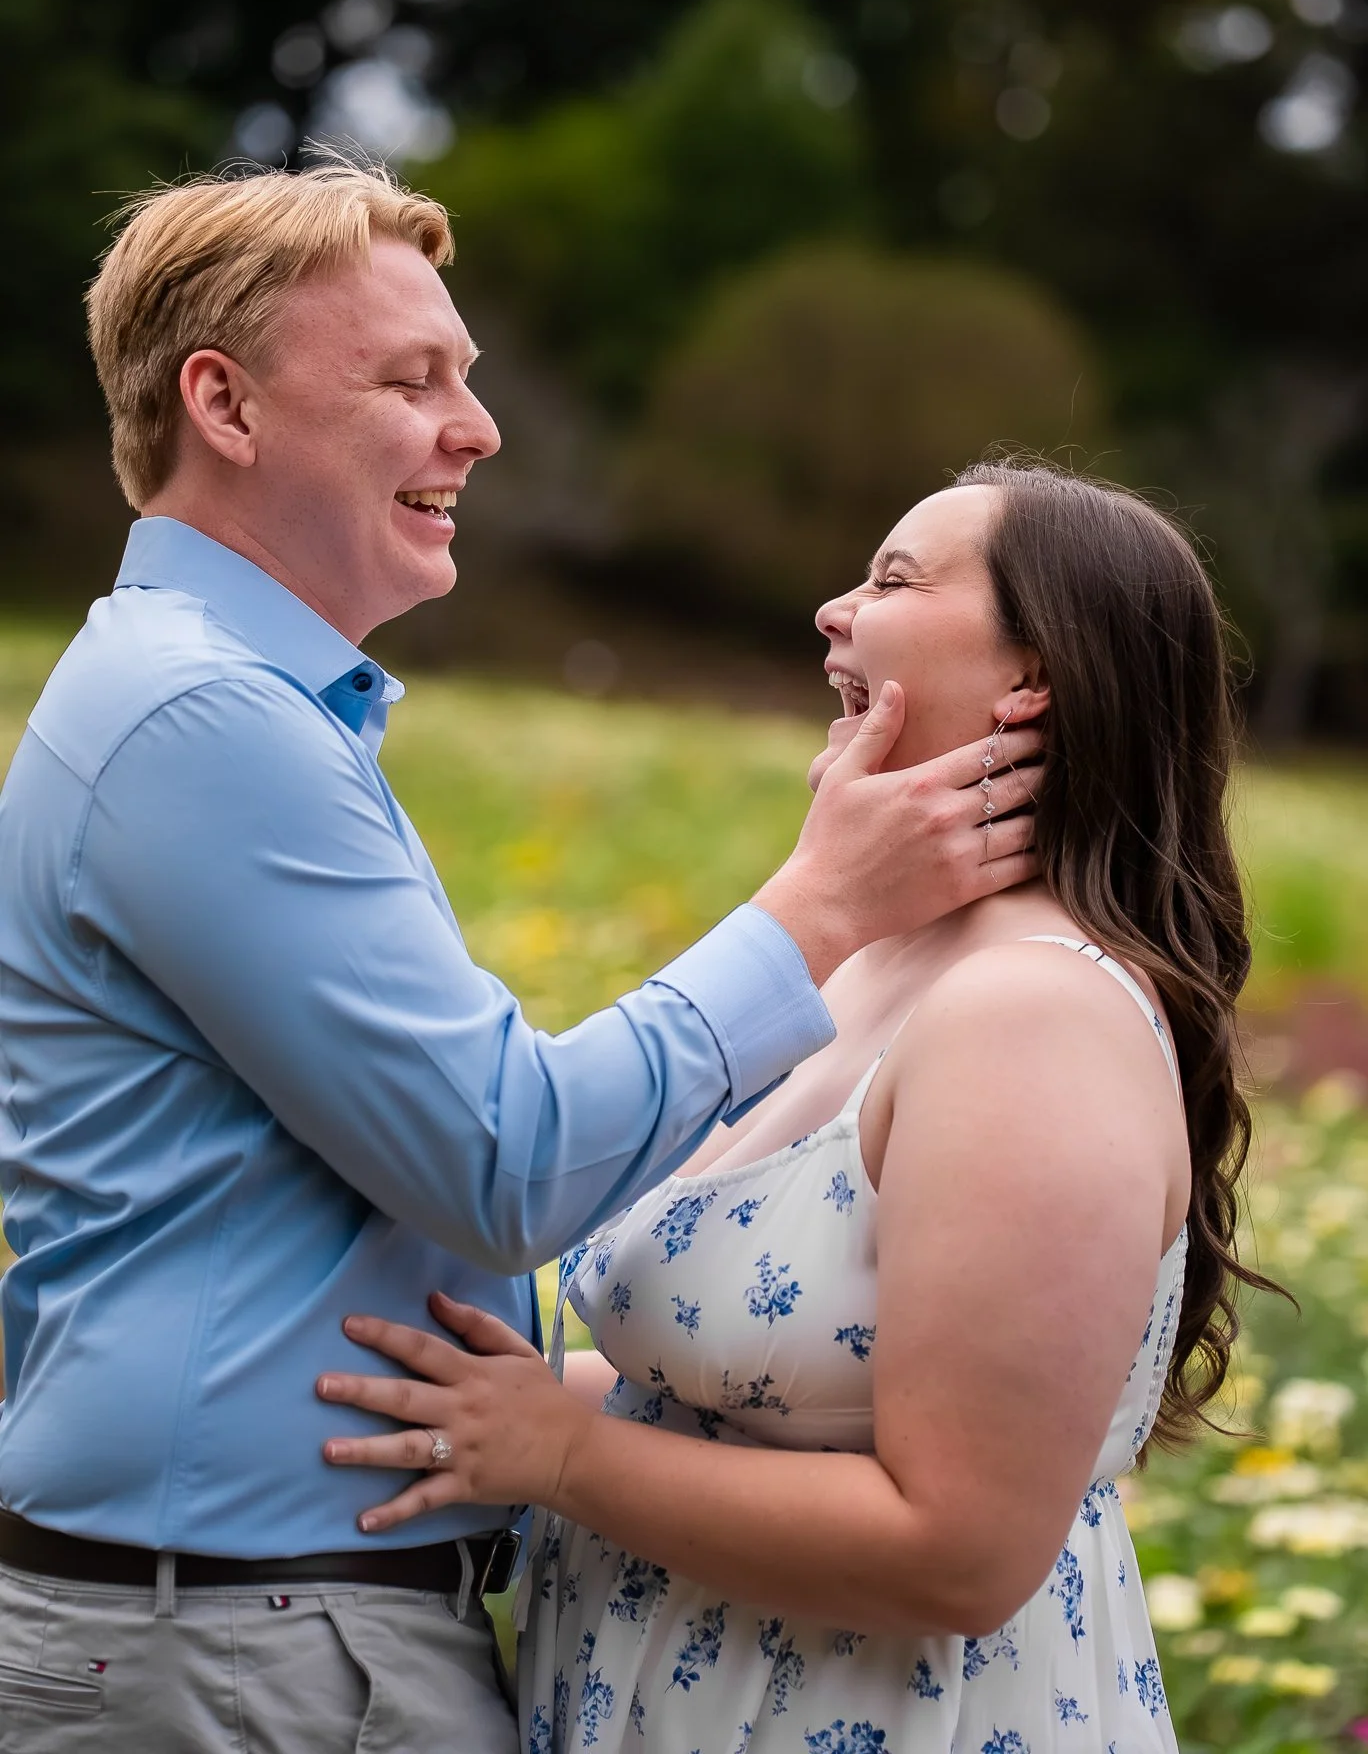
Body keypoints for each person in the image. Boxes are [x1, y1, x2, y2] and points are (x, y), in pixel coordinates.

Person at [0, 161, 1038, 1754]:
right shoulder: (205, 720)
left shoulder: (219, 703)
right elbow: (503, 1158)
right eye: (413, 380)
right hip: (239, 1646)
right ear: (225, 403)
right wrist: (824, 905)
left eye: (469, 379)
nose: (476, 428)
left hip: (234, 1622)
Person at [319, 462, 1268, 1754]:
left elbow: (963, 1551)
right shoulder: (874, 961)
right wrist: (480, 1393)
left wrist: (557, 1456)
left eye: (891, 581)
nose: (830, 611)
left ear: (1033, 676)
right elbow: (765, 1393)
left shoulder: (1033, 1017)